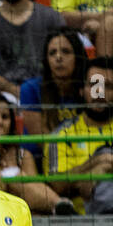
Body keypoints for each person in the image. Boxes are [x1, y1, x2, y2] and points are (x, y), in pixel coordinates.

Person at [47, 55, 113, 211]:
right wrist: (100, 159)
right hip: (83, 223)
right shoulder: (61, 135)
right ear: (81, 90)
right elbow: (57, 185)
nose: (99, 92)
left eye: (107, 86)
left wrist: (104, 169)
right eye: (93, 84)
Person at [0, 92, 74, 213]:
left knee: (17, 176)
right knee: (10, 174)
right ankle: (59, 204)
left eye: (5, 117)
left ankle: (59, 205)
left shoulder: (22, 154)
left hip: (15, 212)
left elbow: (34, 191)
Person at [19, 27, 87, 156]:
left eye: (66, 51)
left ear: (78, 56)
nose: (58, 57)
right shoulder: (29, 89)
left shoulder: (92, 84)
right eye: (52, 53)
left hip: (86, 155)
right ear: (46, 60)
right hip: (42, 157)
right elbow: (44, 142)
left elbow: (102, 121)